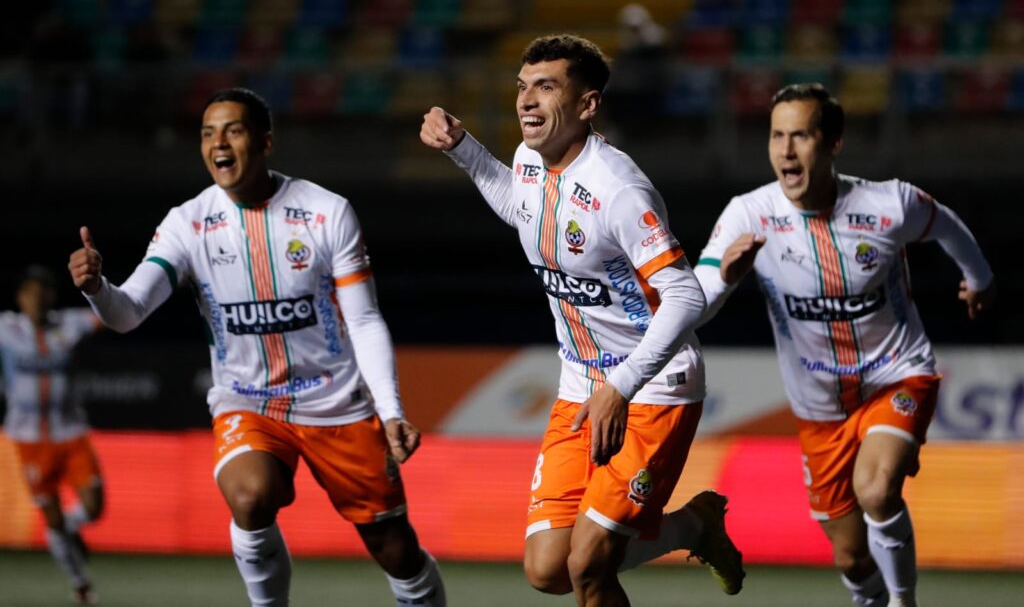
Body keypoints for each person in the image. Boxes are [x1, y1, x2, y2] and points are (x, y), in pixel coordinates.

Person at [67, 87, 445, 607]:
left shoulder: (325, 213)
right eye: (207, 133)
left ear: (265, 141)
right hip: (248, 401)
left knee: (395, 548)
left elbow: (363, 317)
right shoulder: (188, 223)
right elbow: (128, 313)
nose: (218, 142)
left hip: (336, 403)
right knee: (250, 496)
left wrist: (391, 409)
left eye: (233, 130)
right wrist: (97, 290)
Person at [420, 34, 744, 606]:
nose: (526, 101)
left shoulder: (619, 189)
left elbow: (685, 297)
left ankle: (680, 530)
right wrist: (462, 148)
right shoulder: (527, 160)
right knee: (550, 570)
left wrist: (621, 387)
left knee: (590, 563)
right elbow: (517, 201)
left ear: (588, 105)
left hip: (654, 386)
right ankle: (694, 526)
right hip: (579, 384)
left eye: (545, 87)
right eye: (522, 87)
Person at [693, 83, 996, 607]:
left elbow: (946, 223)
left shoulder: (887, 204)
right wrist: (725, 276)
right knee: (851, 558)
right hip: (821, 408)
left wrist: (980, 277)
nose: (786, 151)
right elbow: (693, 301)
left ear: (832, 143)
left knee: (877, 490)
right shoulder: (748, 214)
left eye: (802, 136)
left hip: (897, 374)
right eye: (777, 136)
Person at [0, 265, 104, 605]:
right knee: (52, 517)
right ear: (19, 298)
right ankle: (80, 583)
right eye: (30, 291)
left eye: (43, 290)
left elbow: (113, 313)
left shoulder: (69, 323)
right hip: (28, 437)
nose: (37, 297)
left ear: (52, 295)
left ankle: (70, 531)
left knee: (94, 506)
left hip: (71, 431)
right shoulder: (5, 328)